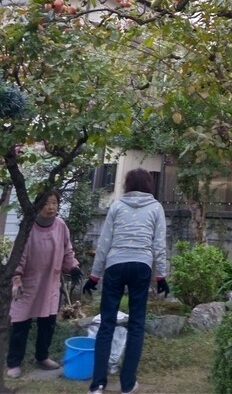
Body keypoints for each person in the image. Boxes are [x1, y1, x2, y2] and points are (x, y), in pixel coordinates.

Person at [83, 167, 169, 394]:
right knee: (137, 324)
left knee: (107, 323)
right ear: (149, 185)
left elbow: (104, 242)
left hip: (115, 265)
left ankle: (97, 385)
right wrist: (161, 275)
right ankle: (128, 384)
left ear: (127, 185)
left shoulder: (117, 206)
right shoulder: (156, 208)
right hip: (141, 266)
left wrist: (94, 275)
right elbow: (159, 244)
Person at [6, 188, 82, 379]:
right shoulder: (29, 226)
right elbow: (18, 254)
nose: (51, 207)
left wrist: (73, 266)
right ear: (38, 205)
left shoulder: (60, 225)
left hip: (50, 282)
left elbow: (67, 250)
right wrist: (16, 277)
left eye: (54, 203)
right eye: (46, 203)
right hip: (28, 282)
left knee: (47, 323)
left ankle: (42, 357)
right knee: (20, 324)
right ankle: (14, 362)